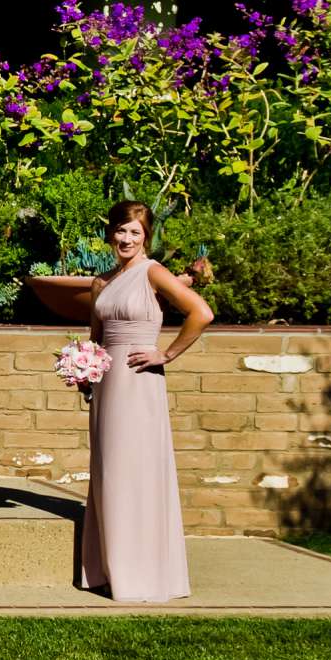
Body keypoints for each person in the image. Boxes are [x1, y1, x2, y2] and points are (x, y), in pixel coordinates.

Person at [78, 200, 214, 603]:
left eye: (135, 232)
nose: (126, 238)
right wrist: (84, 370)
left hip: (139, 381)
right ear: (110, 233)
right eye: (121, 230)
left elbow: (200, 313)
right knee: (109, 470)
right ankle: (109, 567)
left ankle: (142, 572)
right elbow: (96, 337)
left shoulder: (153, 272)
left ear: (146, 236)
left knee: (135, 469)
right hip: (107, 384)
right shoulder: (100, 282)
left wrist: (166, 354)